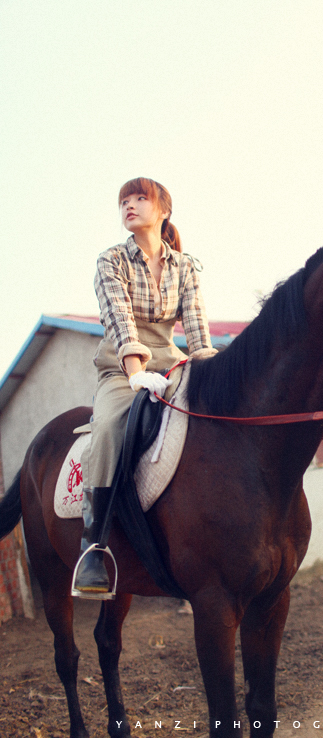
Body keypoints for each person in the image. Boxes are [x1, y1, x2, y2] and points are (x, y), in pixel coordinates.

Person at [73, 177, 216, 597]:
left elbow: (198, 335)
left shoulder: (185, 266)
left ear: (164, 210)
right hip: (121, 368)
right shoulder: (111, 260)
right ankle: (93, 546)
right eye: (124, 201)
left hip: (170, 363)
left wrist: (210, 374)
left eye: (140, 199)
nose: (129, 206)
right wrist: (135, 373)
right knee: (107, 428)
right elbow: (119, 320)